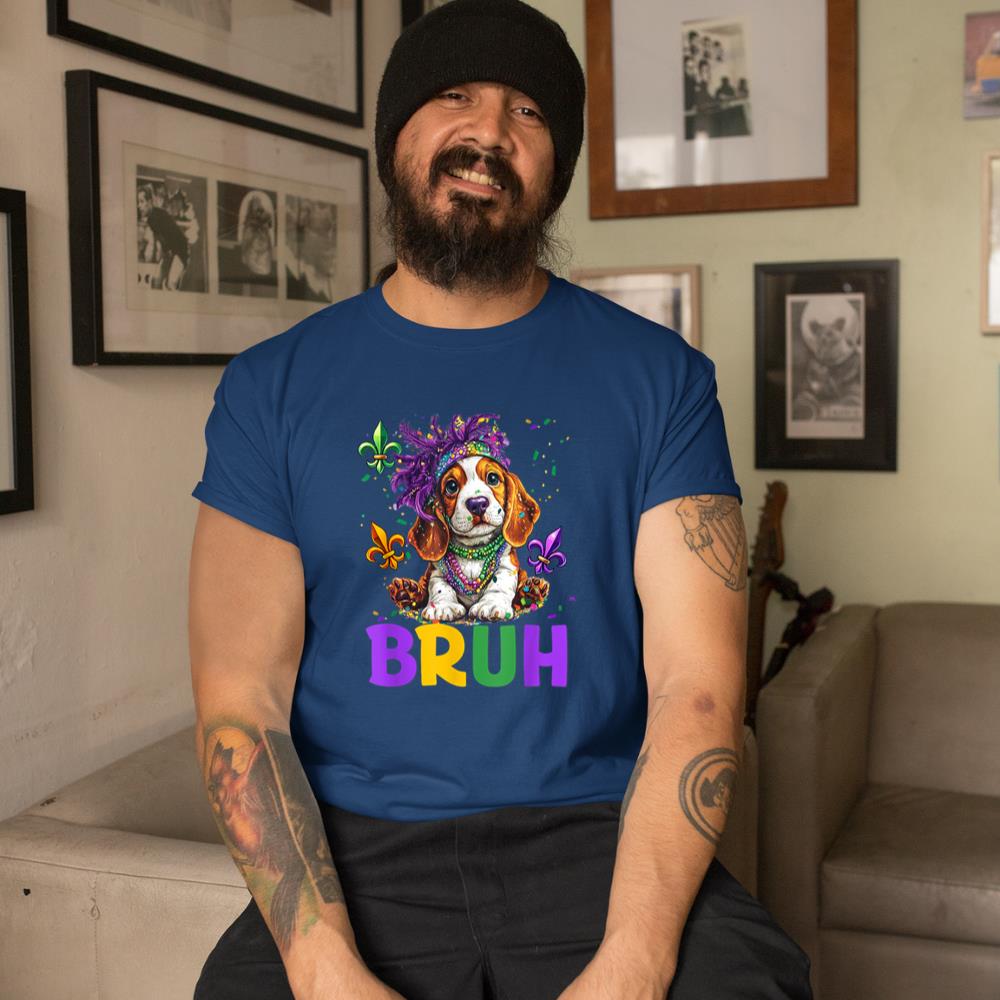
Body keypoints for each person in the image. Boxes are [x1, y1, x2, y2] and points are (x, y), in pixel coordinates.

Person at [188, 2, 814, 999]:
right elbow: (241, 699)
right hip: (358, 846)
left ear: (555, 168)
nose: (488, 132)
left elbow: (696, 686)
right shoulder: (271, 389)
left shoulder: (662, 381)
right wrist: (321, 966)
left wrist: (635, 960)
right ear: (395, 138)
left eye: (527, 111)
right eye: (454, 97)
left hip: (597, 833)